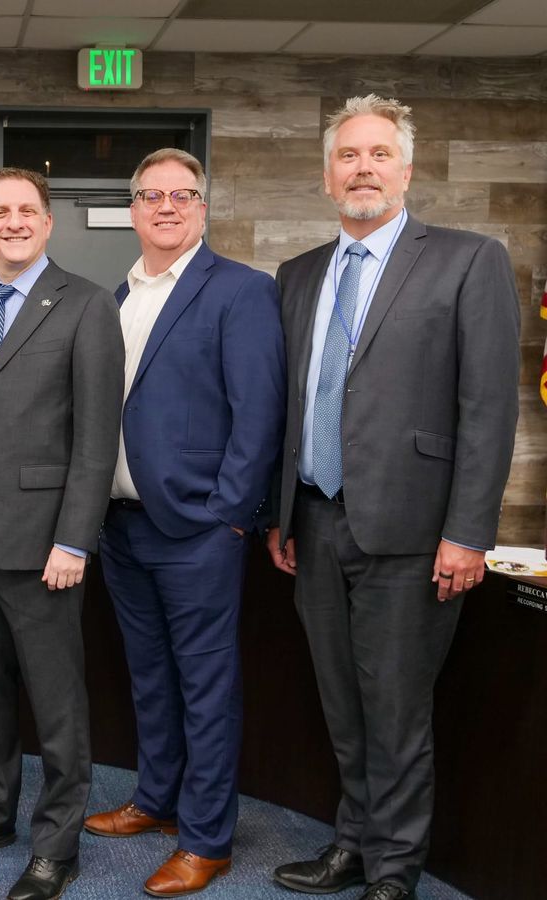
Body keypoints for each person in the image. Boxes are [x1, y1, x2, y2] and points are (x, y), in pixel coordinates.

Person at [266, 95, 519, 900]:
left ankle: (394, 869)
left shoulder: (467, 260)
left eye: (379, 154)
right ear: (326, 173)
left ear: (405, 170)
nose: (363, 168)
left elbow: (488, 407)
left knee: (398, 711)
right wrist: (281, 510)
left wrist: (469, 532)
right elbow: (291, 402)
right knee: (341, 703)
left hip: (414, 532)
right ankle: (350, 844)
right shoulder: (299, 274)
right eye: (348, 155)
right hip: (314, 518)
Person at [83, 148, 286, 897]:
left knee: (205, 685)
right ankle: (156, 802)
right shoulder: (118, 296)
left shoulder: (240, 291)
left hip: (198, 528)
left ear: (203, 208)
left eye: (182, 195)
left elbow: (258, 413)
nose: (166, 206)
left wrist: (230, 515)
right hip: (124, 526)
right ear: (134, 210)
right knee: (149, 678)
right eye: (151, 195)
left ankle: (208, 839)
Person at [0, 167, 123, 900]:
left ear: (47, 223)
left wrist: (75, 539)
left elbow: (98, 437)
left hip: (44, 543)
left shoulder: (87, 305)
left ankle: (56, 844)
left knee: (57, 699)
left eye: (26, 210)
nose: (13, 221)